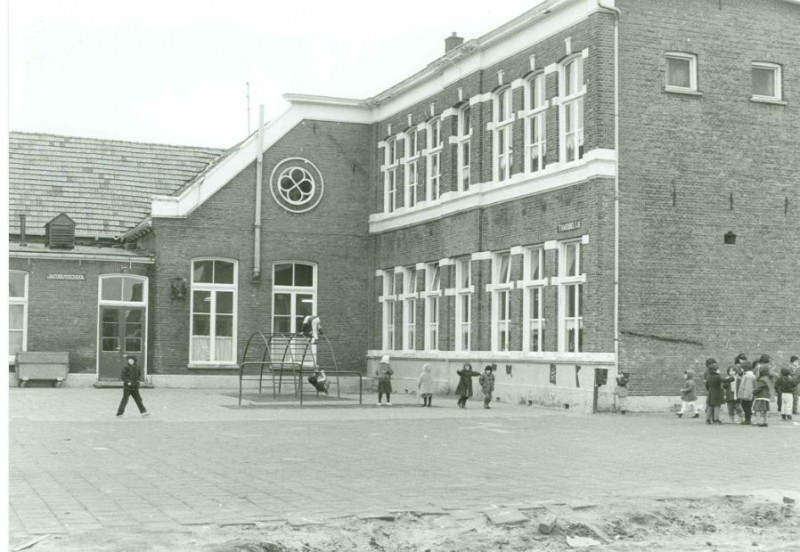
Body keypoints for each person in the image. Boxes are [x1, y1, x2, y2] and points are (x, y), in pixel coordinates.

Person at [704, 359, 727, 425]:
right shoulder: (717, 376)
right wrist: (730, 379)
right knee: (717, 406)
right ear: (716, 370)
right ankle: (716, 419)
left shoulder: (709, 377)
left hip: (710, 393)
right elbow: (723, 381)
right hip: (717, 393)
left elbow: (707, 385)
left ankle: (707, 419)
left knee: (710, 406)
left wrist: (709, 390)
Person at [737, 361, 756, 425]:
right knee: (746, 407)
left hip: (747, 395)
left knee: (746, 407)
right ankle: (747, 419)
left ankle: (748, 420)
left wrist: (745, 396)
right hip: (747, 395)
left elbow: (748, 387)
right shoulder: (747, 375)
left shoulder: (748, 376)